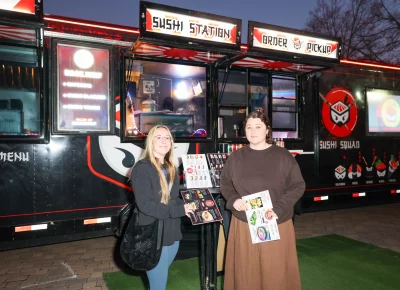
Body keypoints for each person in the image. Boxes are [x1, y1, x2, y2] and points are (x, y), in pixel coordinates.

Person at [220, 111, 305, 290]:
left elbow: (297, 185)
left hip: (275, 222)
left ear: (267, 129)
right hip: (244, 222)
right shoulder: (235, 158)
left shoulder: (283, 156)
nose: (253, 131)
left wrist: (279, 209)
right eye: (249, 127)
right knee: (246, 272)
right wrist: (234, 199)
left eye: (258, 126)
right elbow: (225, 185)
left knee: (274, 272)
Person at [130, 125, 194, 290]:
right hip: (153, 234)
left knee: (161, 276)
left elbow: (173, 199)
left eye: (167, 138)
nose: (163, 141)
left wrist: (191, 204)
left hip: (172, 232)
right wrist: (180, 210)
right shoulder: (142, 168)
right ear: (150, 142)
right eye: (158, 137)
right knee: (158, 284)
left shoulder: (170, 167)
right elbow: (146, 206)